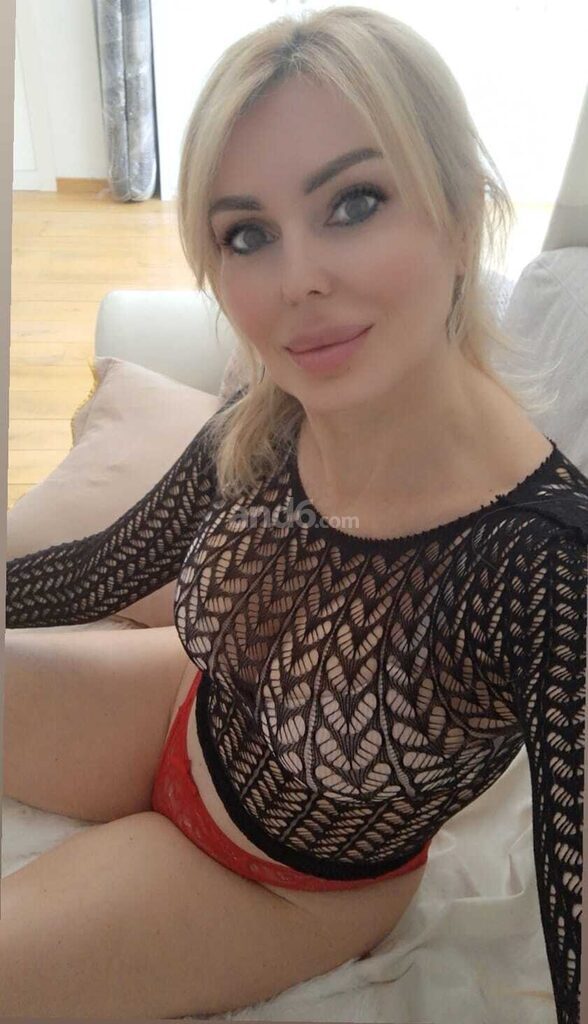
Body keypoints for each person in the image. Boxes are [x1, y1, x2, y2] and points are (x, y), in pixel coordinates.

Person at [3, 6, 587, 1022]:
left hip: (280, 886)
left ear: (459, 211)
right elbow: (102, 570)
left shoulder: (547, 561)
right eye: (248, 234)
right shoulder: (271, 419)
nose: (297, 282)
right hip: (176, 711)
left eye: (354, 203)